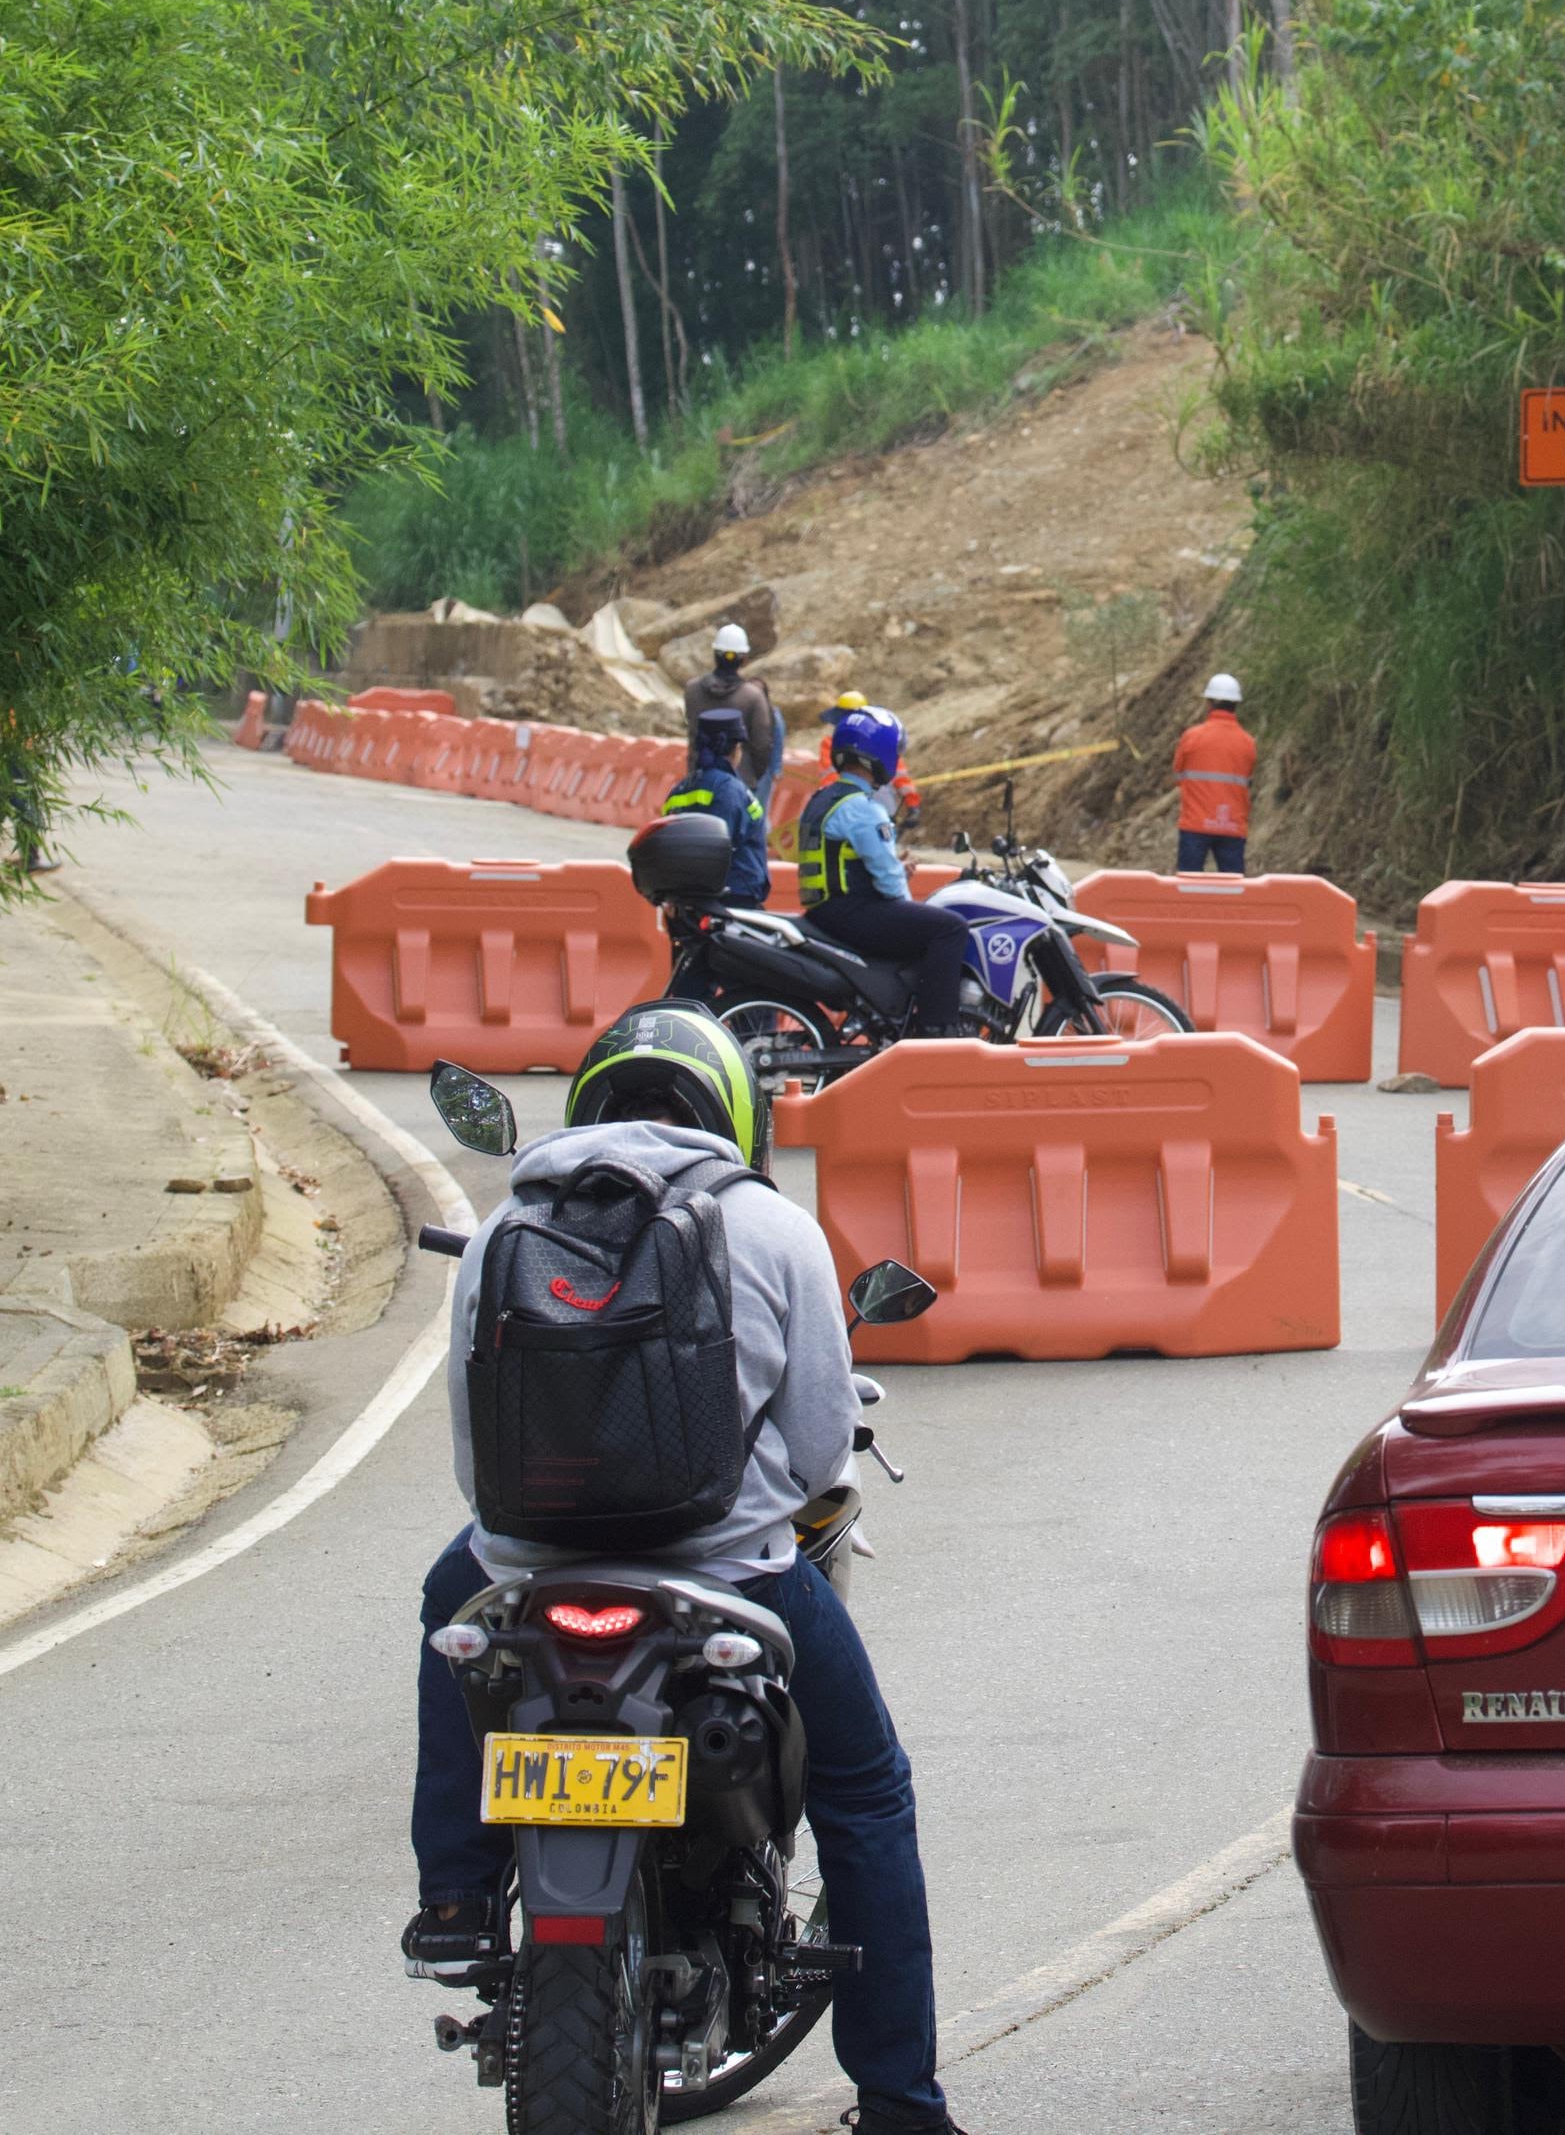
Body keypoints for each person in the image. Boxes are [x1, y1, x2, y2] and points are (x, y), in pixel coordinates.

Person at [403, 1005, 974, 2135]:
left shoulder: (507, 1223)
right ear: (732, 1112)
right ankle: (901, 2101)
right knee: (866, 1792)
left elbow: (474, 1455)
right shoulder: (770, 1226)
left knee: (445, 1618)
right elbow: (818, 1447)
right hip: (731, 1576)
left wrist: (520, 1542)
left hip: (524, 1566)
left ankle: (456, 1895)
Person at [799, 706, 974, 1034]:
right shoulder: (863, 809)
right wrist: (907, 901)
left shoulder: (823, 799)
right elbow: (889, 882)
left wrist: (894, 868)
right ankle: (938, 1031)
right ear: (879, 753)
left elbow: (845, 862)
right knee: (949, 929)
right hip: (850, 914)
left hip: (825, 911)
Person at [658, 709, 776, 906]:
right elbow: (720, 847)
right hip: (733, 897)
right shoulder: (730, 790)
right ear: (735, 749)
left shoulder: (680, 789)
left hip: (686, 897)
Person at [1173, 675, 1258, 874]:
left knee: (1188, 888)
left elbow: (1178, 773)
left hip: (1195, 825)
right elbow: (1247, 777)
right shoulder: (1247, 743)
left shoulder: (1192, 737)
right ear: (1236, 704)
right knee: (1233, 892)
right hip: (1232, 826)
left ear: (1209, 703)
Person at [685, 625, 782, 786]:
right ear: (743, 658)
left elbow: (693, 735)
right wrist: (753, 777)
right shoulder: (753, 697)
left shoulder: (692, 690)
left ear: (715, 655)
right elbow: (762, 745)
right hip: (741, 782)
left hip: (698, 779)